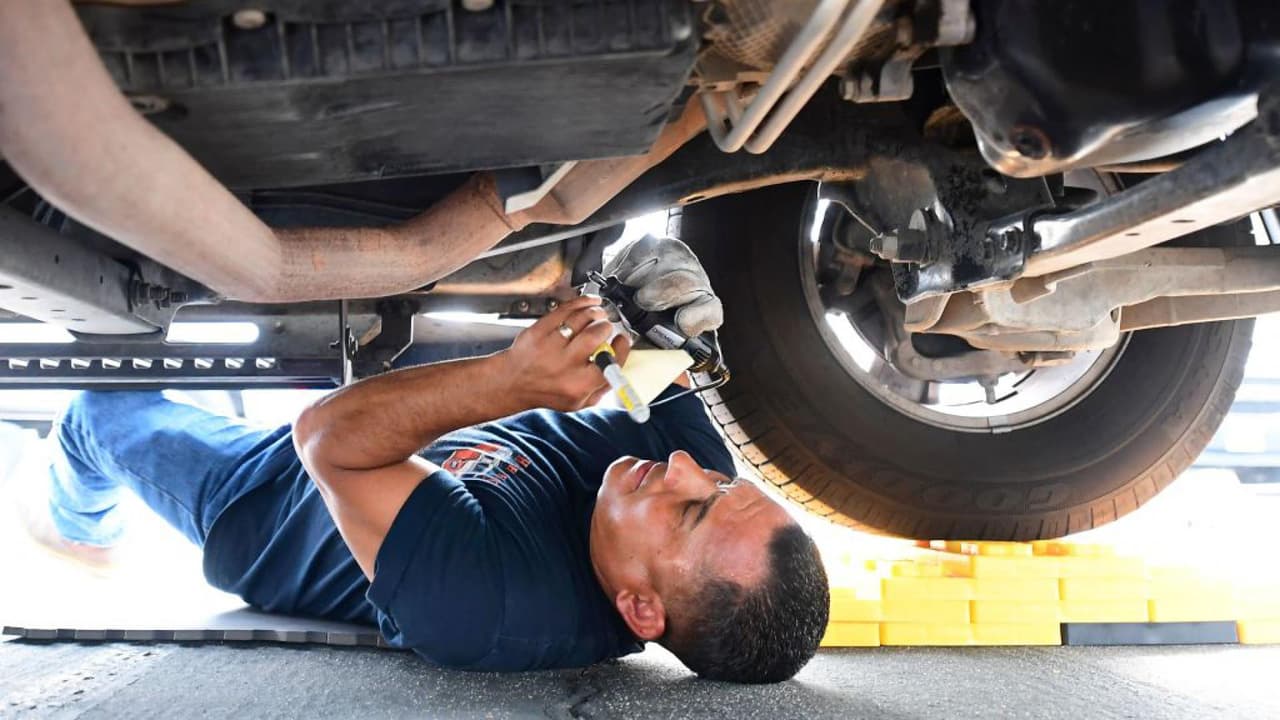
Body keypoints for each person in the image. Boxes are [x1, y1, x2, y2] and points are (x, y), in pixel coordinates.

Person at [21, 236, 830, 683]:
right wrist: (657, 289)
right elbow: (660, 337)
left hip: (270, 498)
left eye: (692, 509)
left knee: (102, 411)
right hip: (416, 426)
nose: (687, 467)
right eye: (719, 483)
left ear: (642, 610)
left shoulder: (494, 608)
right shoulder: (687, 465)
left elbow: (325, 441)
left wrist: (511, 380)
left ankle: (74, 526)